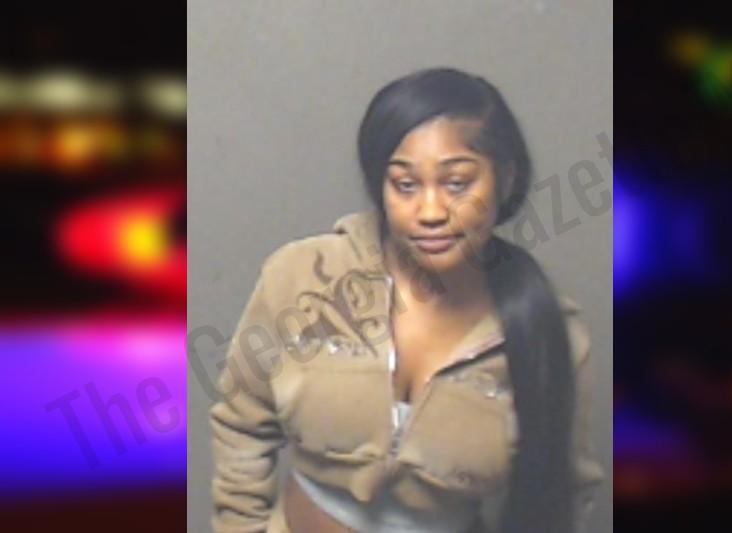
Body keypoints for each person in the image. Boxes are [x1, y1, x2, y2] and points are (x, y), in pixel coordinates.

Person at [210, 67, 604, 533]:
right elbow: (241, 425)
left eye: (457, 183)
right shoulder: (301, 278)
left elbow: (562, 496)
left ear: (505, 179)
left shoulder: (550, 333)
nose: (430, 211)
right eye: (405, 185)